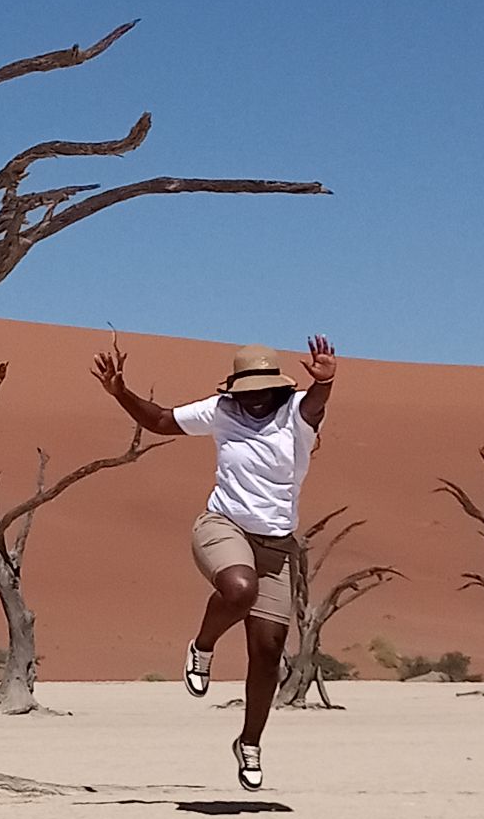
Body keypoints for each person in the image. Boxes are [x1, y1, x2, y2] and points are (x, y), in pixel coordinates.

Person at [92, 337, 338, 791]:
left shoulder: (296, 414)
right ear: (237, 390)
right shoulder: (222, 412)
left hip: (277, 545)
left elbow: (316, 405)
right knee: (239, 590)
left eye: (267, 387)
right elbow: (164, 420)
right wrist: (121, 393)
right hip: (223, 526)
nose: (258, 396)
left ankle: (249, 742)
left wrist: (325, 381)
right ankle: (203, 647)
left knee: (267, 653)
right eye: (250, 388)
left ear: (280, 388)